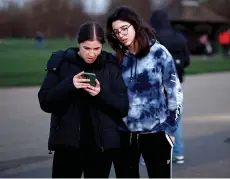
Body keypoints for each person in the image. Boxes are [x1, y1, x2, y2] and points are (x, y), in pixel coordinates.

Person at [38, 22, 129, 178]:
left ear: (102, 46)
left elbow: (123, 108)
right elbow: (45, 101)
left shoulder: (110, 65)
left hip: (101, 149)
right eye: (87, 48)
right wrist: (69, 85)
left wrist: (101, 93)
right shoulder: (61, 62)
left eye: (96, 49)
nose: (92, 54)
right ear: (78, 43)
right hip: (67, 147)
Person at [106, 6, 183, 178]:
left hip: (156, 134)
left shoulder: (159, 53)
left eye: (124, 28)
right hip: (125, 135)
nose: (121, 34)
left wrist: (170, 130)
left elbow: (175, 93)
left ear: (135, 25)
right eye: (116, 32)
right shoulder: (116, 58)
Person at [150, 10, 190, 164]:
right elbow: (187, 60)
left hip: (157, 84)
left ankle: (158, 153)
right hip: (175, 83)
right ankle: (178, 153)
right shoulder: (178, 37)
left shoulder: (153, 39)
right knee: (175, 118)